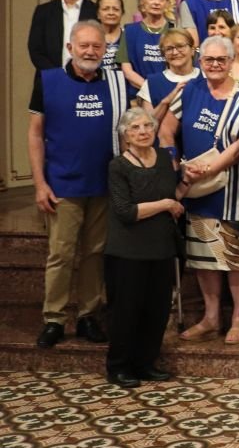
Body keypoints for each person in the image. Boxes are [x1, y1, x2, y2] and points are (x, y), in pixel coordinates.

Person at [29, 20, 123, 348]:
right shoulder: (47, 79)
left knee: (95, 253)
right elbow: (35, 134)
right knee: (61, 254)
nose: (90, 51)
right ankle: (54, 319)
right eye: (84, 45)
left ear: (105, 50)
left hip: (103, 184)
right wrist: (39, 184)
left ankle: (88, 316)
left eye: (97, 46)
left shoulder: (116, 82)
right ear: (70, 48)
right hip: (62, 186)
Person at [158, 35, 239, 346]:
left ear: (231, 62)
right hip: (196, 188)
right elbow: (165, 130)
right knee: (203, 255)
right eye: (209, 60)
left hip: (234, 187)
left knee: (235, 254)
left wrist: (212, 168)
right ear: (200, 62)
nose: (215, 65)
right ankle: (211, 318)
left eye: (221, 60)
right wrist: (176, 164)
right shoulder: (190, 91)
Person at [104, 106, 187, 388]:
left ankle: (145, 363)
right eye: (135, 128)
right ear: (125, 135)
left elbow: (173, 196)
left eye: (147, 126)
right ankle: (119, 366)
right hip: (128, 250)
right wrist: (165, 204)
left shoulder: (163, 158)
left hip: (161, 246)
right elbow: (126, 211)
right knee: (126, 311)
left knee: (157, 310)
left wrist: (188, 181)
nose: (142, 132)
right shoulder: (118, 166)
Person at [29, 0, 98, 71]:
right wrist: (57, 75)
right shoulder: (43, 11)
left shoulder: (96, 11)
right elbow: (35, 49)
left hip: (88, 77)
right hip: (51, 76)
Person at [118, 0, 174, 93]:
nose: (156, 2)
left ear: (167, 3)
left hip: (170, 94)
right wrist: (150, 90)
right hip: (138, 95)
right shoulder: (130, 31)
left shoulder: (175, 31)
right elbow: (127, 70)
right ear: (143, 1)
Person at [137, 30, 199, 123]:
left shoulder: (205, 78)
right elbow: (148, 124)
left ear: (192, 50)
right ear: (163, 54)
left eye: (180, 46)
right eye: (169, 49)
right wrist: (166, 101)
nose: (175, 52)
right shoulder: (152, 83)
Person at [96, 0, 125, 76]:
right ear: (98, 14)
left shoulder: (129, 37)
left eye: (116, 9)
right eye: (106, 9)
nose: (111, 13)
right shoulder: (90, 38)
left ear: (122, 13)